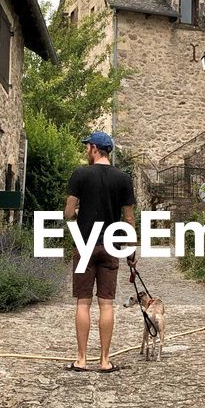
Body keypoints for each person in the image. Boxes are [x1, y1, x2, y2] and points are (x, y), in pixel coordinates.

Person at [64, 130, 136, 372]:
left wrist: (78, 211)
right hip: (110, 246)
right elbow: (128, 218)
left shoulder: (80, 174)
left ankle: (82, 359)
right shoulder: (123, 178)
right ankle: (105, 361)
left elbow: (68, 213)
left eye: (87, 146)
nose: (87, 150)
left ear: (94, 148)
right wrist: (131, 249)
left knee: (83, 303)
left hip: (85, 243)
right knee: (106, 304)